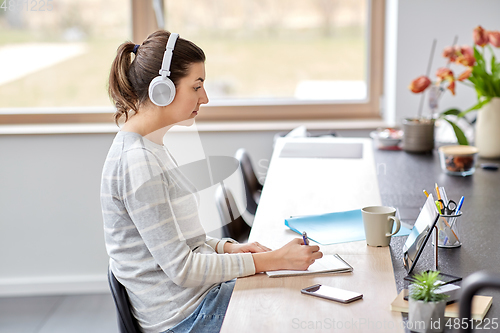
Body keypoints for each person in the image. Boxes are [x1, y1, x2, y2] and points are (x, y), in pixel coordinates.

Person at [101, 30, 322, 333]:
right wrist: (272, 260)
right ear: (162, 90)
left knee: (297, 292)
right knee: (297, 308)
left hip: (198, 300)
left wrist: (227, 248)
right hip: (185, 318)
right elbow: (182, 268)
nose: (204, 98)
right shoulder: (138, 162)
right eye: (196, 86)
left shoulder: (151, 148)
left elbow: (182, 240)